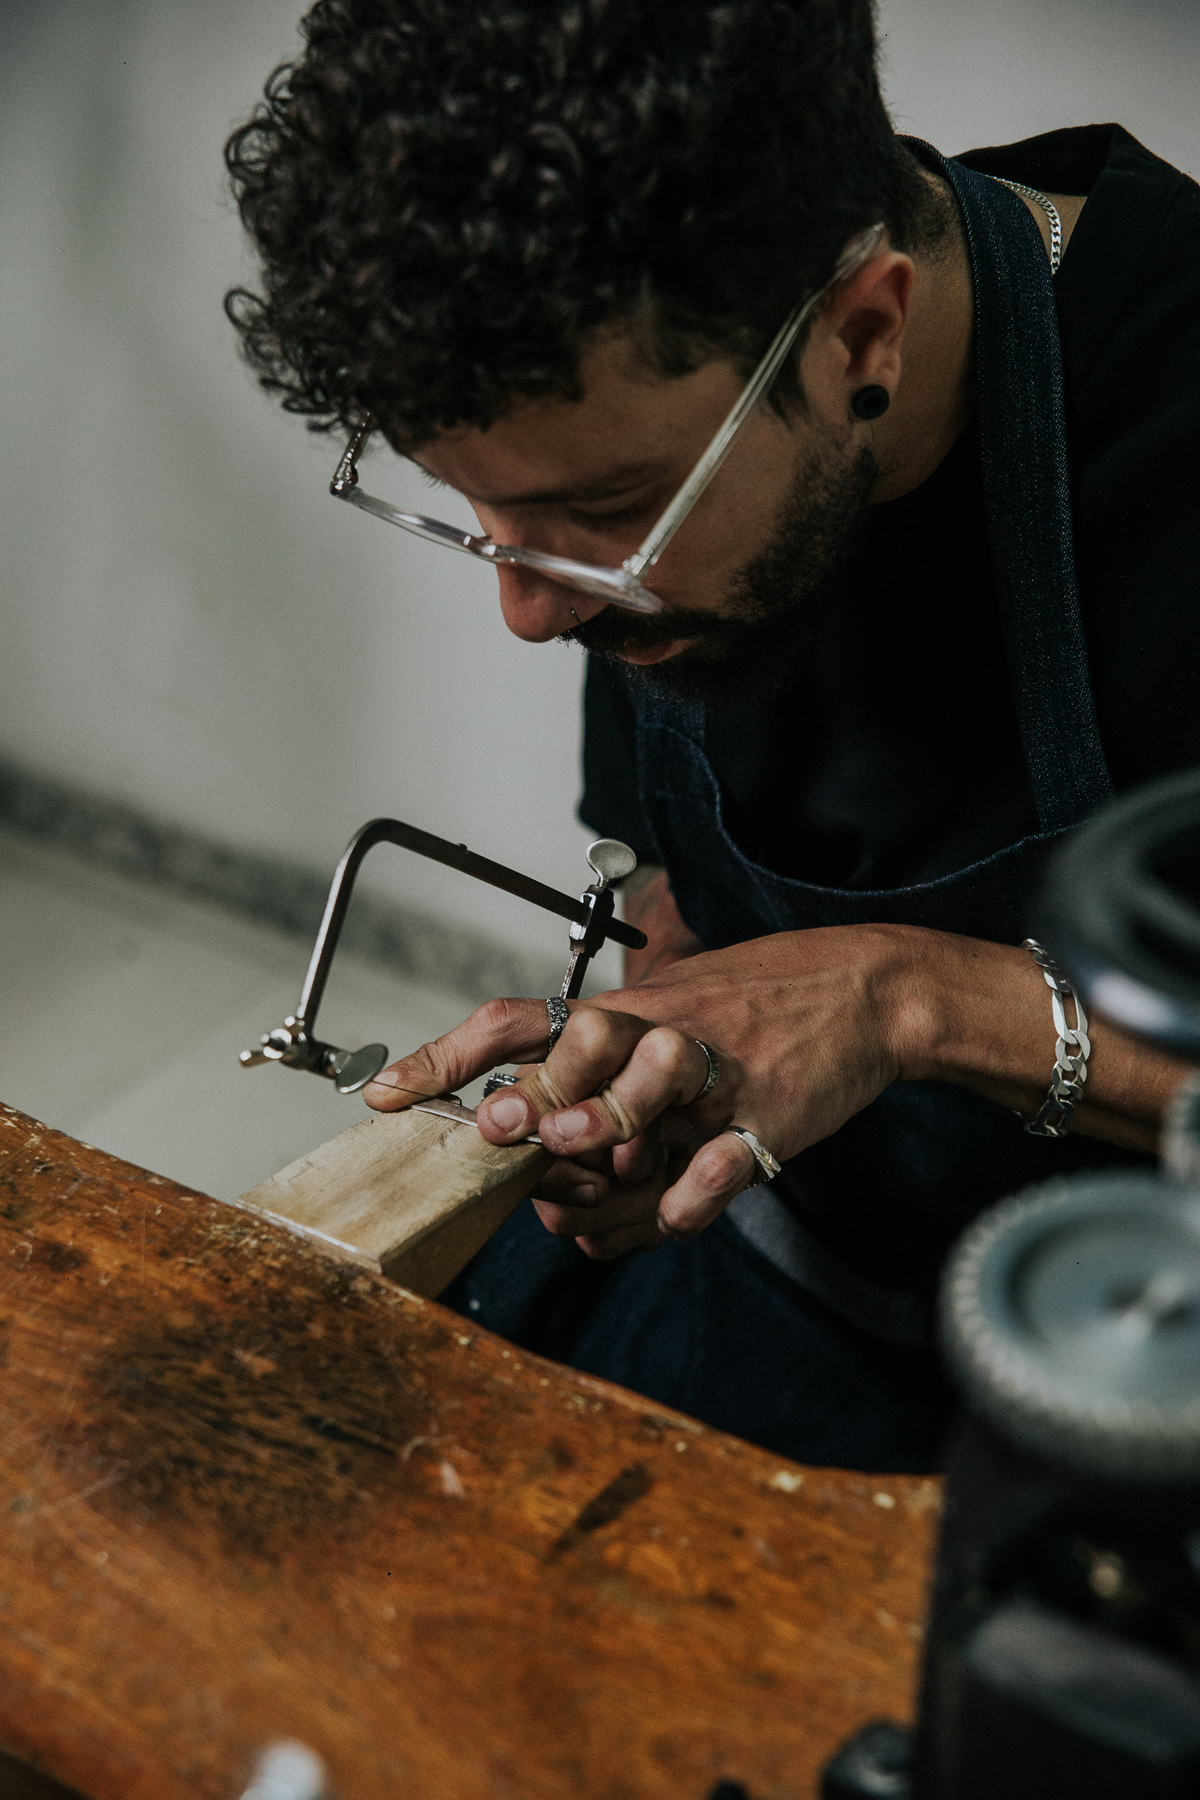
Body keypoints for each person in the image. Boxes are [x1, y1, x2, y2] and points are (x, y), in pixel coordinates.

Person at [225, 0, 1200, 1470]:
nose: (528, 613)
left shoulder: (1172, 429)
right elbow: (679, 906)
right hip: (798, 1274)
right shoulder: (653, 439)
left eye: (604, 518)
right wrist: (650, 1079)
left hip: (1140, 1360)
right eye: (484, 514)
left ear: (865, 330)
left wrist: (904, 997)